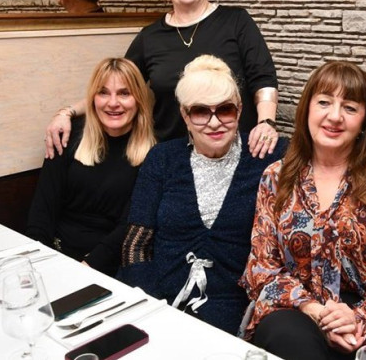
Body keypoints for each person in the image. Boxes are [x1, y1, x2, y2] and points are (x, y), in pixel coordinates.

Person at [240, 61, 366, 360]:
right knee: (287, 335)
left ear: (364, 120)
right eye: (324, 102)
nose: (335, 116)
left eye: (350, 107)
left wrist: (359, 318)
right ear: (307, 109)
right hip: (298, 311)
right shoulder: (276, 177)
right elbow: (262, 267)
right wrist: (315, 311)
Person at [45, 0, 279, 160]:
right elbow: (115, 88)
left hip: (236, 152)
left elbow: (263, 79)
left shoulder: (236, 21)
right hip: (173, 157)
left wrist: (266, 122)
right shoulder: (150, 37)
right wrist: (67, 113)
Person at [118, 55, 287, 335]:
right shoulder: (162, 158)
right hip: (158, 298)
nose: (214, 122)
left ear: (239, 110)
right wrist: (151, 304)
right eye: (200, 111)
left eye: (225, 110)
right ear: (185, 115)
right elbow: (135, 246)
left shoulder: (267, 156)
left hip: (233, 309)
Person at [26, 58, 155, 276]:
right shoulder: (66, 138)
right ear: (92, 98)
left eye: (124, 93)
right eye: (103, 93)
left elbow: (129, 226)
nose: (113, 103)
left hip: (110, 266)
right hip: (55, 255)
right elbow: (42, 211)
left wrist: (86, 269)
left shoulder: (155, 155)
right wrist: (36, 262)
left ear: (139, 99)